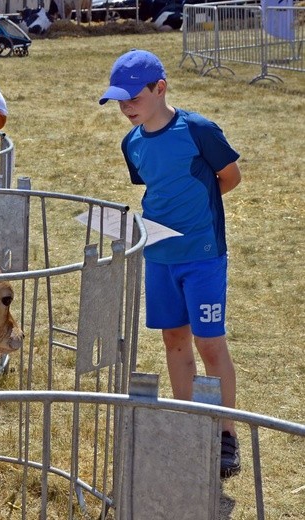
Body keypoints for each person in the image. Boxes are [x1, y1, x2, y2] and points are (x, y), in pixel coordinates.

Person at [99, 49, 243, 479]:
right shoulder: (133, 142)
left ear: (160, 89)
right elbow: (153, 189)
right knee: (174, 342)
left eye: (132, 97)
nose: (126, 107)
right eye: (118, 100)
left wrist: (196, 218)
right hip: (159, 258)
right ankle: (187, 423)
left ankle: (225, 435)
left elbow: (229, 177)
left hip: (201, 258)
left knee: (210, 345)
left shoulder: (197, 130)